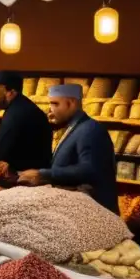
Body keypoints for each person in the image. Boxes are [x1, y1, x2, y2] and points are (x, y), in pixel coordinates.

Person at [17, 83, 118, 213]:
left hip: (93, 212)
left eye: (55, 104)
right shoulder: (75, 127)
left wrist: (43, 174)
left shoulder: (90, 129)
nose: (50, 109)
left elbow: (89, 169)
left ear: (70, 103)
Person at [0, 71, 53, 183]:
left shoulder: (18, 112)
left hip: (26, 174)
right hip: (25, 167)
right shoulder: (20, 106)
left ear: (11, 91)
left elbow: (2, 146)